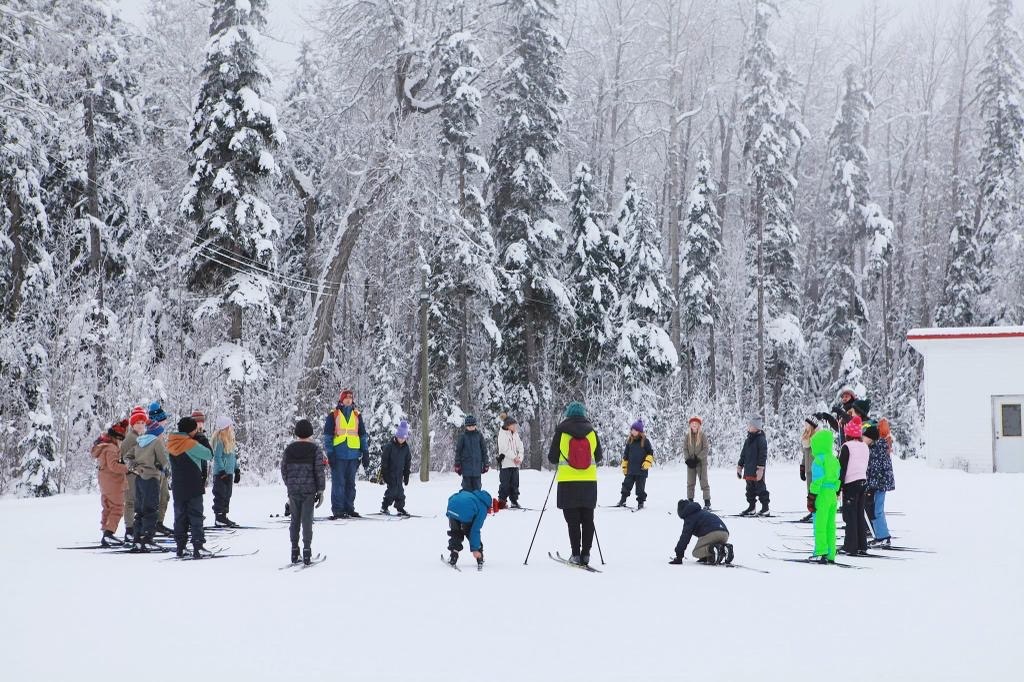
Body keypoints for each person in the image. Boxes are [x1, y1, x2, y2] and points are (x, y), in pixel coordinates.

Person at [547, 401, 603, 566]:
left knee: (572, 520)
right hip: (588, 481)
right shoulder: (591, 432)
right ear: (583, 414)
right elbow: (598, 456)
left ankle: (575, 554)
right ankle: (586, 554)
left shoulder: (562, 431)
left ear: (568, 414)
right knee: (588, 518)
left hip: (568, 481)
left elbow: (552, 457)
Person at [167, 416, 214, 558]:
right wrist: (202, 439)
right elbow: (208, 454)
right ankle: (198, 546)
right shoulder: (190, 444)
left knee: (180, 516)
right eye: (195, 429)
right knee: (196, 516)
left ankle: (180, 547)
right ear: (191, 430)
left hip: (178, 486)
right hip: (193, 485)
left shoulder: (171, 443)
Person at [282, 418, 326, 565]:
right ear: (311, 433)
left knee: (294, 520)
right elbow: (319, 471)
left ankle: (294, 550)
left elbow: (284, 469)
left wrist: (289, 484)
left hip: (293, 490)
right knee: (307, 520)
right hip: (309, 490)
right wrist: (320, 490)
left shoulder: (289, 449)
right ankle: (307, 550)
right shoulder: (315, 450)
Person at [322, 389, 369, 518]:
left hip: (353, 455)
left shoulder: (357, 415)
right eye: (346, 397)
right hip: (339, 455)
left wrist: (365, 452)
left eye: (350, 397)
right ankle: (338, 509)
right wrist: (330, 454)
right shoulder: (334, 415)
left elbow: (363, 435)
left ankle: (349, 508)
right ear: (341, 399)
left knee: (350, 484)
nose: (348, 399)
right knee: (338, 484)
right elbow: (327, 436)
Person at [130, 412, 169, 551]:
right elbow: (164, 460)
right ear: (157, 433)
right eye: (161, 433)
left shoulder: (140, 441)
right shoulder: (156, 442)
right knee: (151, 509)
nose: (162, 436)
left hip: (139, 478)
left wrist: (135, 467)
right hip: (151, 477)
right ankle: (147, 538)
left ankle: (137, 538)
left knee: (140, 510)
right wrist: (164, 468)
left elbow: (129, 457)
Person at [91, 419, 130, 546]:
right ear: (116, 438)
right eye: (121, 439)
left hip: (105, 482)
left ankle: (106, 531)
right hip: (113, 483)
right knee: (118, 508)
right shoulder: (112, 449)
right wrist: (127, 468)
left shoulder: (104, 447)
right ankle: (109, 533)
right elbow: (113, 466)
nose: (121, 442)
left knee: (108, 507)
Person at [806, 427, 841, 563]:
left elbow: (817, 481)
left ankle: (820, 551)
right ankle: (831, 553)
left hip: (822, 494)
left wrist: (811, 497)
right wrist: (836, 492)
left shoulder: (819, 461)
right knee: (830, 525)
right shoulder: (834, 460)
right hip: (832, 495)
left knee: (820, 524)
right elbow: (838, 478)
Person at [838, 416, 870, 556]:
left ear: (848, 434)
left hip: (850, 483)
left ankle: (850, 546)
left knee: (850, 516)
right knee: (859, 514)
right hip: (863, 481)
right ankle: (862, 544)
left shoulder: (846, 447)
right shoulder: (864, 446)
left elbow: (842, 469)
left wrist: (838, 488)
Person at [669, 500, 732, 565]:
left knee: (696, 552)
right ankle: (724, 548)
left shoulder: (690, 517)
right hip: (725, 533)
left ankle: (715, 548)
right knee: (708, 545)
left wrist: (679, 555)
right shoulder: (702, 512)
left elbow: (685, 537)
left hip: (712, 533)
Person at [864, 420, 896, 547]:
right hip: (881, 483)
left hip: (879, 484)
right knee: (876, 509)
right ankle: (880, 535)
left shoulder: (878, 447)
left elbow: (876, 469)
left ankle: (883, 536)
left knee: (877, 510)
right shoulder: (883, 445)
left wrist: (872, 486)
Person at [445, 488, 492, 568]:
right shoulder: (483, 507)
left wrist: (450, 513)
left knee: (456, 532)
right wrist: (475, 549)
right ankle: (479, 556)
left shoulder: (470, 494)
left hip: (452, 507)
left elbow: (452, 497)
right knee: (470, 531)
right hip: (464, 512)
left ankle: (454, 555)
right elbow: (475, 530)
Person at [121, 406, 146, 543]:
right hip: (131, 475)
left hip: (136, 474)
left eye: (143, 423)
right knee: (130, 502)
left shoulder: (138, 437)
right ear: (133, 424)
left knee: (136, 502)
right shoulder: (131, 438)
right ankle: (129, 530)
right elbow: (126, 458)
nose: (141, 425)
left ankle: (135, 529)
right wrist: (137, 470)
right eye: (138, 423)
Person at [147, 401, 173, 536]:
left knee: (165, 496)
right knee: (155, 498)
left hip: (163, 471)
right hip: (154, 472)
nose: (165, 422)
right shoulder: (151, 434)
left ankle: (159, 523)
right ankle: (151, 525)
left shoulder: (160, 434)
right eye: (164, 419)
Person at [617, 419, 654, 509]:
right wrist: (625, 466)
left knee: (640, 488)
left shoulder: (645, 441)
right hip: (631, 469)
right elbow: (626, 455)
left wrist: (647, 462)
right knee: (626, 485)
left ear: (639, 431)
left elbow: (650, 453)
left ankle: (640, 502)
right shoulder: (630, 441)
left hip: (641, 470)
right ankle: (623, 500)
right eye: (632, 430)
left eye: (635, 430)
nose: (633, 431)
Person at [736, 415, 769, 516]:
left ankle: (765, 508)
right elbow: (743, 454)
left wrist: (760, 469)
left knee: (761, 489)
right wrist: (740, 466)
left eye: (750, 425)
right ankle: (751, 507)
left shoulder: (761, 440)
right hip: (749, 470)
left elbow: (763, 455)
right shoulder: (748, 440)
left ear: (755, 427)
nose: (748, 427)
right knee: (749, 490)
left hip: (757, 471)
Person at [211, 415, 240, 527]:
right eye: (229, 426)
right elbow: (217, 457)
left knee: (227, 495)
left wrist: (236, 470)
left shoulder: (230, 440)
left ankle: (223, 516)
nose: (231, 428)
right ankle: (219, 517)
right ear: (225, 428)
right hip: (221, 474)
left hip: (229, 473)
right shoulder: (219, 441)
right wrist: (222, 472)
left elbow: (233, 456)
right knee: (220, 494)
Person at [380, 420, 412, 516]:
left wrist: (406, 475)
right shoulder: (389, 446)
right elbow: (384, 460)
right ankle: (384, 507)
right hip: (390, 473)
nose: (401, 439)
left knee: (400, 493)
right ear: (396, 435)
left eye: (403, 438)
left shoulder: (406, 448)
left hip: (399, 474)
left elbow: (407, 463)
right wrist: (384, 474)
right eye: (400, 437)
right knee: (391, 491)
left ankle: (400, 507)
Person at [683, 416, 711, 509]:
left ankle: (707, 502)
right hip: (691, 463)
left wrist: (698, 458)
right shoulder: (687, 436)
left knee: (704, 482)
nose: (694, 425)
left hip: (701, 463)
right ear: (690, 425)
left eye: (696, 424)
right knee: (690, 482)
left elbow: (706, 449)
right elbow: (685, 449)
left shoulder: (703, 435)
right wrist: (688, 460)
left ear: (699, 425)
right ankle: (690, 501)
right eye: (692, 424)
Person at [454, 414, 488, 491]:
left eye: (473, 426)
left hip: (477, 469)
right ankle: (467, 502)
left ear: (475, 426)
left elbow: (484, 450)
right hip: (466, 469)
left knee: (477, 489)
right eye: (469, 426)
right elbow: (458, 451)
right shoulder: (463, 437)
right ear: (466, 426)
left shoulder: (479, 436)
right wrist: (457, 464)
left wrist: (486, 463)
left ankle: (476, 502)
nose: (471, 427)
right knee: (466, 489)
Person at [496, 415, 524, 508]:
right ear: (508, 425)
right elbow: (504, 449)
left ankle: (514, 501)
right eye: (513, 425)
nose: (515, 427)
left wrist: (519, 458)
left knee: (515, 483)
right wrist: (514, 457)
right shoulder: (502, 434)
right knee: (505, 484)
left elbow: (520, 447)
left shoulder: (515, 434)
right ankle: (502, 501)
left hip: (515, 464)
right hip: (505, 463)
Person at [798, 415, 819, 523]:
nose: (805, 426)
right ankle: (812, 511)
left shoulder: (817, 438)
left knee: (815, 492)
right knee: (809, 492)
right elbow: (804, 454)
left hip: (816, 469)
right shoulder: (806, 437)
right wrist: (802, 467)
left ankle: (816, 512)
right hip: (808, 469)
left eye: (807, 424)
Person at [190, 410, 212, 489]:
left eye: (202, 422)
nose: (200, 425)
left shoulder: (202, 437)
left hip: (201, 471)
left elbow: (207, 455)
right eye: (198, 423)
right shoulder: (191, 438)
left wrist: (204, 473)